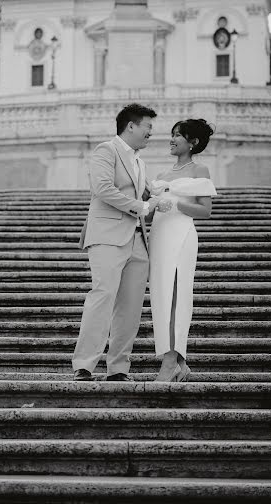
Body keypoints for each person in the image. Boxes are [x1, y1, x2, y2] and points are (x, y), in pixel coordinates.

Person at [72, 103, 170, 382]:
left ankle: (118, 368)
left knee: (130, 308)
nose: (151, 133)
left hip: (138, 240)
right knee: (102, 297)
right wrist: (141, 206)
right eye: (148, 127)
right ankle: (84, 365)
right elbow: (102, 189)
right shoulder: (106, 150)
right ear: (131, 126)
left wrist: (158, 198)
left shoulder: (140, 161)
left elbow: (146, 196)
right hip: (108, 236)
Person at [148, 118, 217, 382]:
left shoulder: (200, 170)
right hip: (160, 237)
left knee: (178, 297)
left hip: (182, 236)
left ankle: (169, 362)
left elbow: (205, 210)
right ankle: (180, 364)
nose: (172, 139)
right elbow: (150, 214)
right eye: (172, 134)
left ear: (193, 142)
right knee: (162, 298)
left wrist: (175, 205)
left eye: (178, 135)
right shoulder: (162, 176)